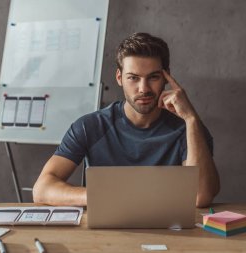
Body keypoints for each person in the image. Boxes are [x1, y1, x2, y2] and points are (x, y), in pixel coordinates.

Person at [33, 32, 220, 208]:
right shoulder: (90, 126)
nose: (143, 88)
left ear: (166, 77)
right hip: (104, 232)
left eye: (153, 77)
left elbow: (200, 195)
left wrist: (191, 118)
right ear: (119, 77)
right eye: (133, 78)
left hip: (169, 232)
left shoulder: (188, 128)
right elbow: (42, 189)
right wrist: (102, 196)